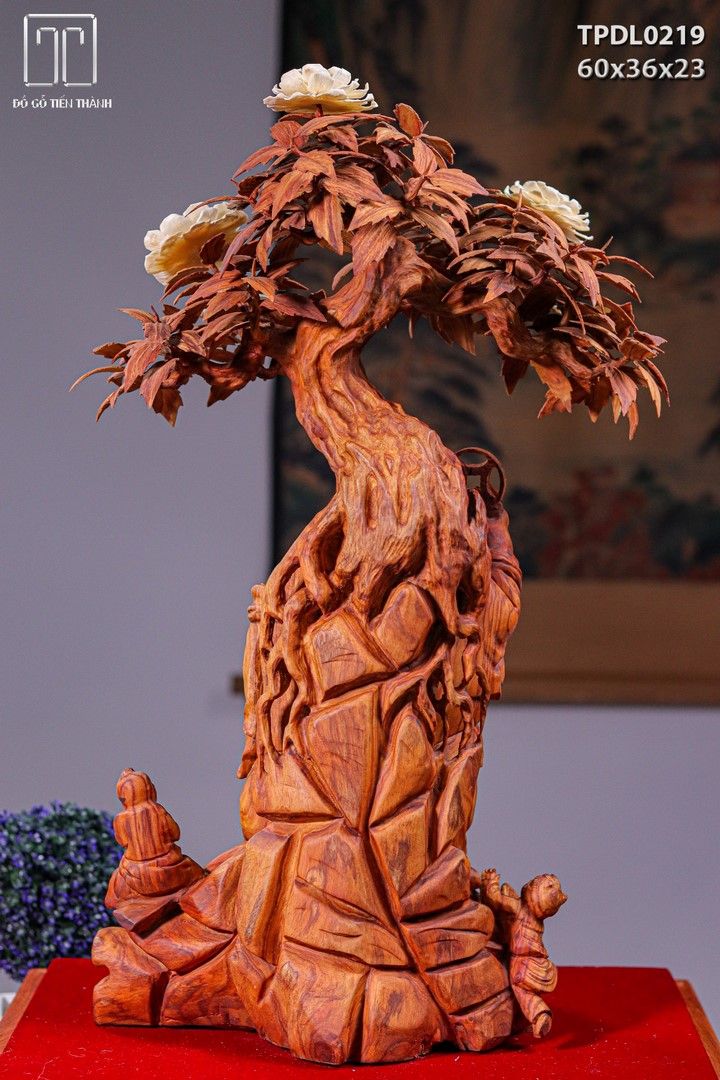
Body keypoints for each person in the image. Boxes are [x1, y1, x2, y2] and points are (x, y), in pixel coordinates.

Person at [480, 868, 566, 1037]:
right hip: (539, 960)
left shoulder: (520, 908)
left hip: (523, 962)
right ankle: (523, 1020)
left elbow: (495, 899)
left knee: (520, 989)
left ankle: (539, 1014)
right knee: (523, 992)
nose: (530, 883)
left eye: (534, 883)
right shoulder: (537, 919)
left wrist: (491, 882)